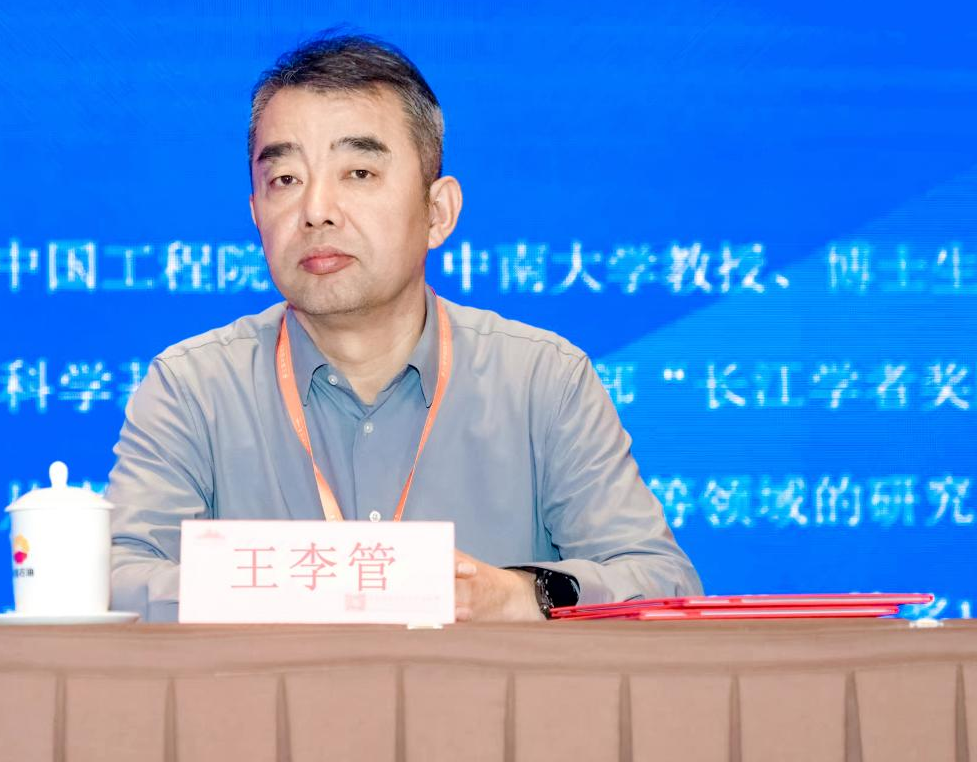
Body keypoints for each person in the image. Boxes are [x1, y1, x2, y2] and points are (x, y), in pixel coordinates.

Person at [107, 33, 701, 622]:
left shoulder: (542, 381)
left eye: (358, 172)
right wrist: (304, 588)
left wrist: (516, 596)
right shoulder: (193, 388)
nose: (316, 210)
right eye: (285, 179)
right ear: (256, 213)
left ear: (437, 212)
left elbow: (661, 580)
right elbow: (112, 578)